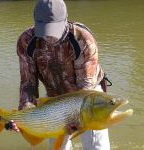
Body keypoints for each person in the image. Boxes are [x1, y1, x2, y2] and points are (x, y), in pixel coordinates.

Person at [10, 0, 110, 149]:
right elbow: (28, 84)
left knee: (96, 147)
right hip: (54, 99)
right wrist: (25, 115)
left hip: (87, 98)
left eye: (53, 28)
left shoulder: (82, 38)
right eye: (44, 29)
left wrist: (75, 119)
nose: (49, 37)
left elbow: (85, 88)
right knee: (57, 147)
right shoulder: (26, 41)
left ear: (65, 19)